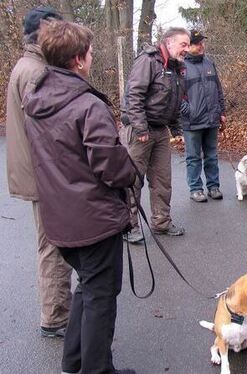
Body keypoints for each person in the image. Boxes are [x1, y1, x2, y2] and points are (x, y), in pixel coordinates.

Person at [23, 20, 137, 374]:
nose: (91, 56)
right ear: (78, 59)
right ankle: (97, 370)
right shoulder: (86, 105)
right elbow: (110, 164)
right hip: (93, 220)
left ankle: (73, 362)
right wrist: (131, 172)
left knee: (87, 289)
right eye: (89, 51)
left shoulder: (36, 101)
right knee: (101, 297)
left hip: (60, 218)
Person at [5, 6, 72, 338]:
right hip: (44, 177)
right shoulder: (36, 72)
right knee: (53, 245)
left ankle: (58, 311)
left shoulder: (32, 66)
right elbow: (49, 133)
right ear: (39, 34)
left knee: (52, 243)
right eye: (54, 31)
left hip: (39, 174)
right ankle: (56, 316)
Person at [121, 27, 190, 243]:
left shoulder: (177, 67)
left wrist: (177, 129)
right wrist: (140, 128)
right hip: (139, 129)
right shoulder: (148, 61)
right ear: (169, 43)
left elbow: (175, 101)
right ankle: (129, 226)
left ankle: (161, 222)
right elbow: (134, 95)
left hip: (160, 130)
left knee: (162, 179)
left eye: (188, 45)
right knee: (132, 180)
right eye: (183, 44)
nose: (186, 49)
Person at [181, 30, 226, 203]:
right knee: (193, 157)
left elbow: (218, 89)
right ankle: (196, 189)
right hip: (192, 121)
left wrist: (221, 112)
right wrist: (189, 111)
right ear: (188, 46)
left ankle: (213, 186)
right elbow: (176, 96)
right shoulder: (181, 66)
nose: (201, 46)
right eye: (197, 43)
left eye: (202, 43)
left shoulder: (209, 63)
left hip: (212, 118)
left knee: (212, 155)